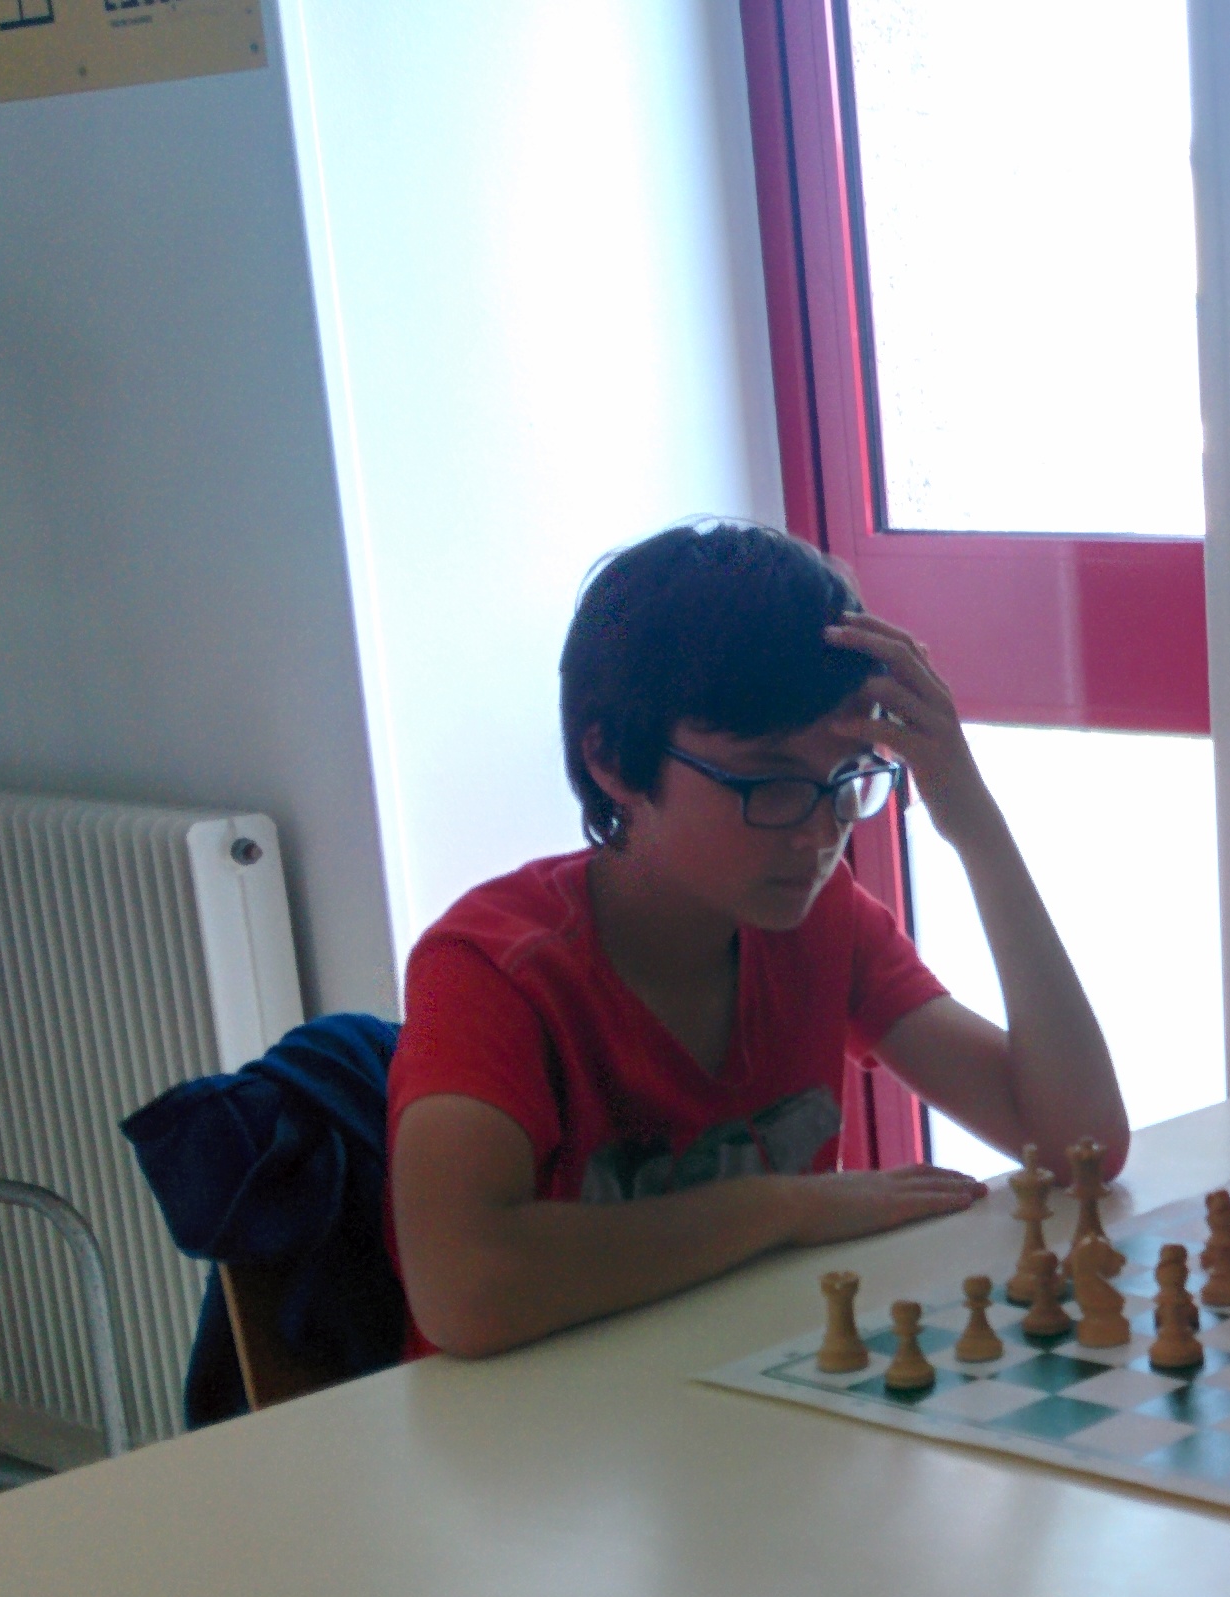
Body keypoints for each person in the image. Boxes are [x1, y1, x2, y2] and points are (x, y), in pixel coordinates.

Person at [388, 522, 1127, 1356]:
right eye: (769, 782)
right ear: (614, 762)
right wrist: (785, 1208)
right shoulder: (494, 969)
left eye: (846, 778)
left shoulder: (822, 920)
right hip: (536, 1426)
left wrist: (972, 821)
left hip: (744, 1384)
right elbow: (464, 1286)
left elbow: (1079, 1146)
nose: (820, 832)